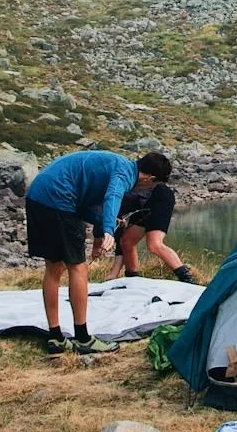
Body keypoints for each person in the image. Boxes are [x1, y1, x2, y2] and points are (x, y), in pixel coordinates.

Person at [21, 148, 173, 355]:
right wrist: (109, 229)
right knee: (78, 268)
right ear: (150, 178)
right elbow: (113, 196)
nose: (147, 189)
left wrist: (100, 220)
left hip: (37, 196)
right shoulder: (124, 173)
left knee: (54, 266)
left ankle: (55, 337)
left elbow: (80, 205)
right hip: (58, 199)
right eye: (152, 185)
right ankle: (83, 339)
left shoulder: (117, 164)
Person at [106, 154, 196, 284]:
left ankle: (187, 278)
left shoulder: (113, 197)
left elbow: (114, 226)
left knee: (154, 244)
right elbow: (119, 234)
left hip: (160, 198)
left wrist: (114, 273)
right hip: (142, 203)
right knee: (126, 241)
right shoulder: (112, 200)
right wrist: (113, 274)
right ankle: (132, 279)